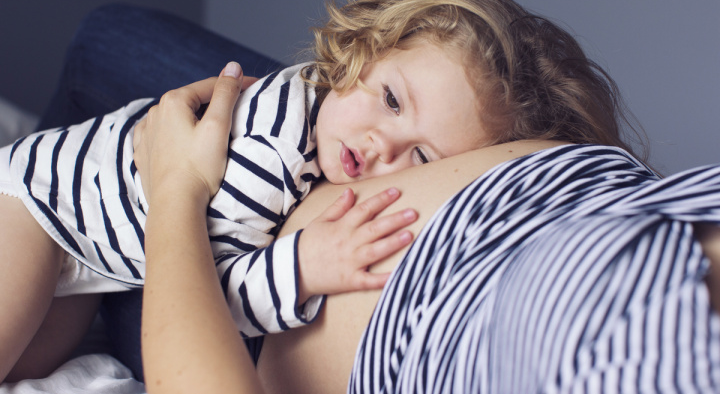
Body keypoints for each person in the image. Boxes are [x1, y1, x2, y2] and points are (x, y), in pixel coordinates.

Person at [0, 0, 633, 382]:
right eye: (389, 98)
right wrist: (300, 268)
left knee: (34, 365)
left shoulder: (330, 111)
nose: (378, 144)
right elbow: (197, 285)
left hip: (99, 255)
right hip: (43, 207)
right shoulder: (270, 151)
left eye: (421, 157)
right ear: (365, 49)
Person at [137, 70, 720, 393]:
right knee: (107, 43)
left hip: (212, 298)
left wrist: (174, 187)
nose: (386, 148)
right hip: (300, 132)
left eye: (422, 156)